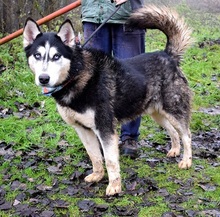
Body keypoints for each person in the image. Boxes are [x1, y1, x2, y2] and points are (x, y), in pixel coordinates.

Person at [81, 0, 146, 158]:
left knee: (131, 78)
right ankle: (99, 135)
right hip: (94, 15)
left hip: (127, 16)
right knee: (93, 81)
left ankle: (129, 137)